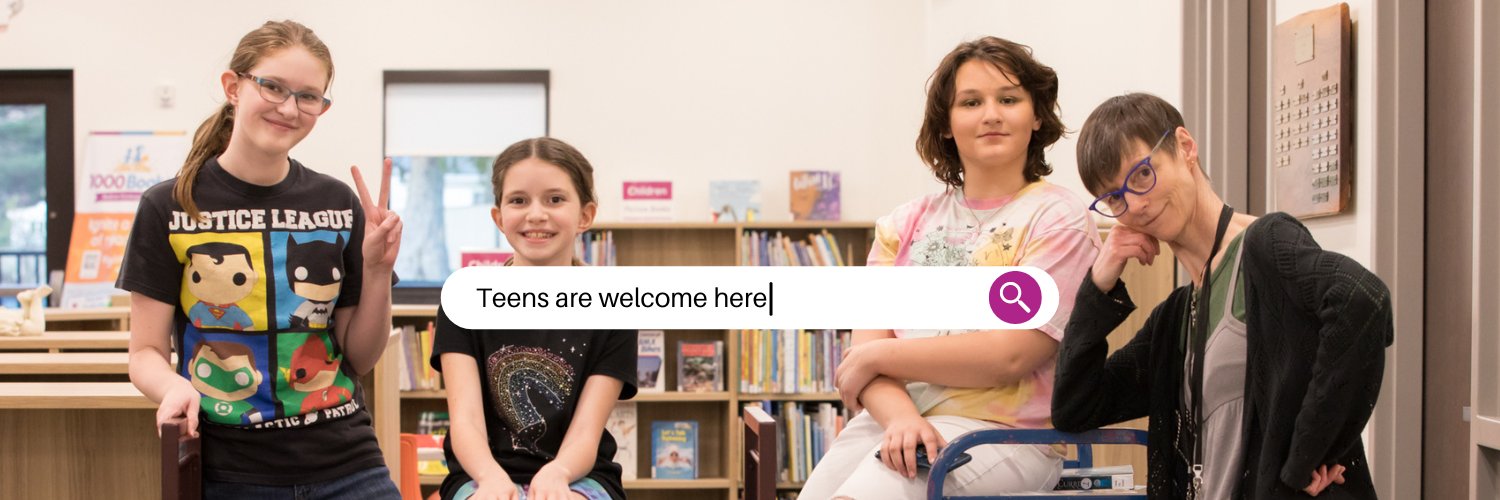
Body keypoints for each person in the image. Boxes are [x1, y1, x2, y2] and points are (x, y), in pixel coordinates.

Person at [799, 36, 1100, 499]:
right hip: (892, 421)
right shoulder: (902, 224)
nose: (991, 114)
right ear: (946, 123)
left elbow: (1010, 356)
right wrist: (902, 417)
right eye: (971, 102)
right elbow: (863, 361)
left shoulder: (1059, 218)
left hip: (1002, 434)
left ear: (1037, 115)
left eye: (1009, 99)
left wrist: (880, 356)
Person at [1053, 92, 1392, 499]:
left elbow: (1362, 300)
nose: (1136, 204)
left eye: (1143, 174)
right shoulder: (1176, 317)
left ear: (1185, 147)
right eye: (1114, 198)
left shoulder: (1265, 246)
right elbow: (1075, 406)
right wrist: (1099, 283)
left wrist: (1302, 460)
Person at [117, 20, 403, 498]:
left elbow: (361, 357)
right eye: (273, 87)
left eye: (308, 96)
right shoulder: (169, 205)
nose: (289, 108)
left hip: (348, 462)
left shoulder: (339, 202)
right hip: (230, 469)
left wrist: (377, 272)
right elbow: (145, 353)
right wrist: (172, 387)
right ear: (233, 87)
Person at [432, 137, 637, 500]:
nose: (536, 214)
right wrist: (491, 478)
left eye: (555, 199)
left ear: (585, 215)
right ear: (499, 218)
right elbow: (466, 421)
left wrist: (559, 473)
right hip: (480, 472)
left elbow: (585, 432)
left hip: (579, 473)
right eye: (518, 200)